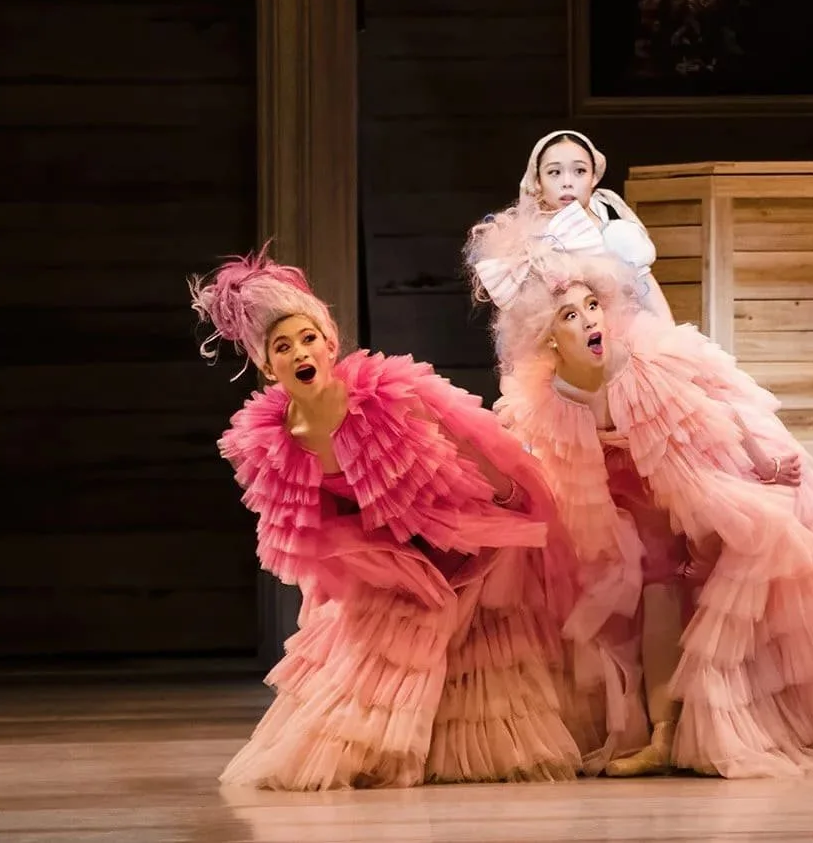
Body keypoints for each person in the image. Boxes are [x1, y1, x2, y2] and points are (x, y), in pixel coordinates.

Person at [467, 130, 813, 777]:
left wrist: (758, 468)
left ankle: (667, 727)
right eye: (555, 169)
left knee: (671, 579)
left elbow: (701, 413)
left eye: (579, 167)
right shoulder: (541, 367)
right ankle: (626, 725)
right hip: (609, 479)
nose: (568, 179)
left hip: (674, 465)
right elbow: (532, 443)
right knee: (593, 586)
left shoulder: (623, 297)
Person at [191, 248, 579, 790]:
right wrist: (343, 581)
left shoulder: (380, 395)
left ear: (329, 344)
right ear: (267, 365)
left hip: (449, 528)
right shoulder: (275, 438)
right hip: (385, 555)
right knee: (382, 650)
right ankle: (378, 750)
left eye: (308, 338)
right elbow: (307, 531)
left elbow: (462, 443)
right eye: (282, 347)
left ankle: (452, 751)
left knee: (474, 641)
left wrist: (508, 497)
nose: (299, 352)